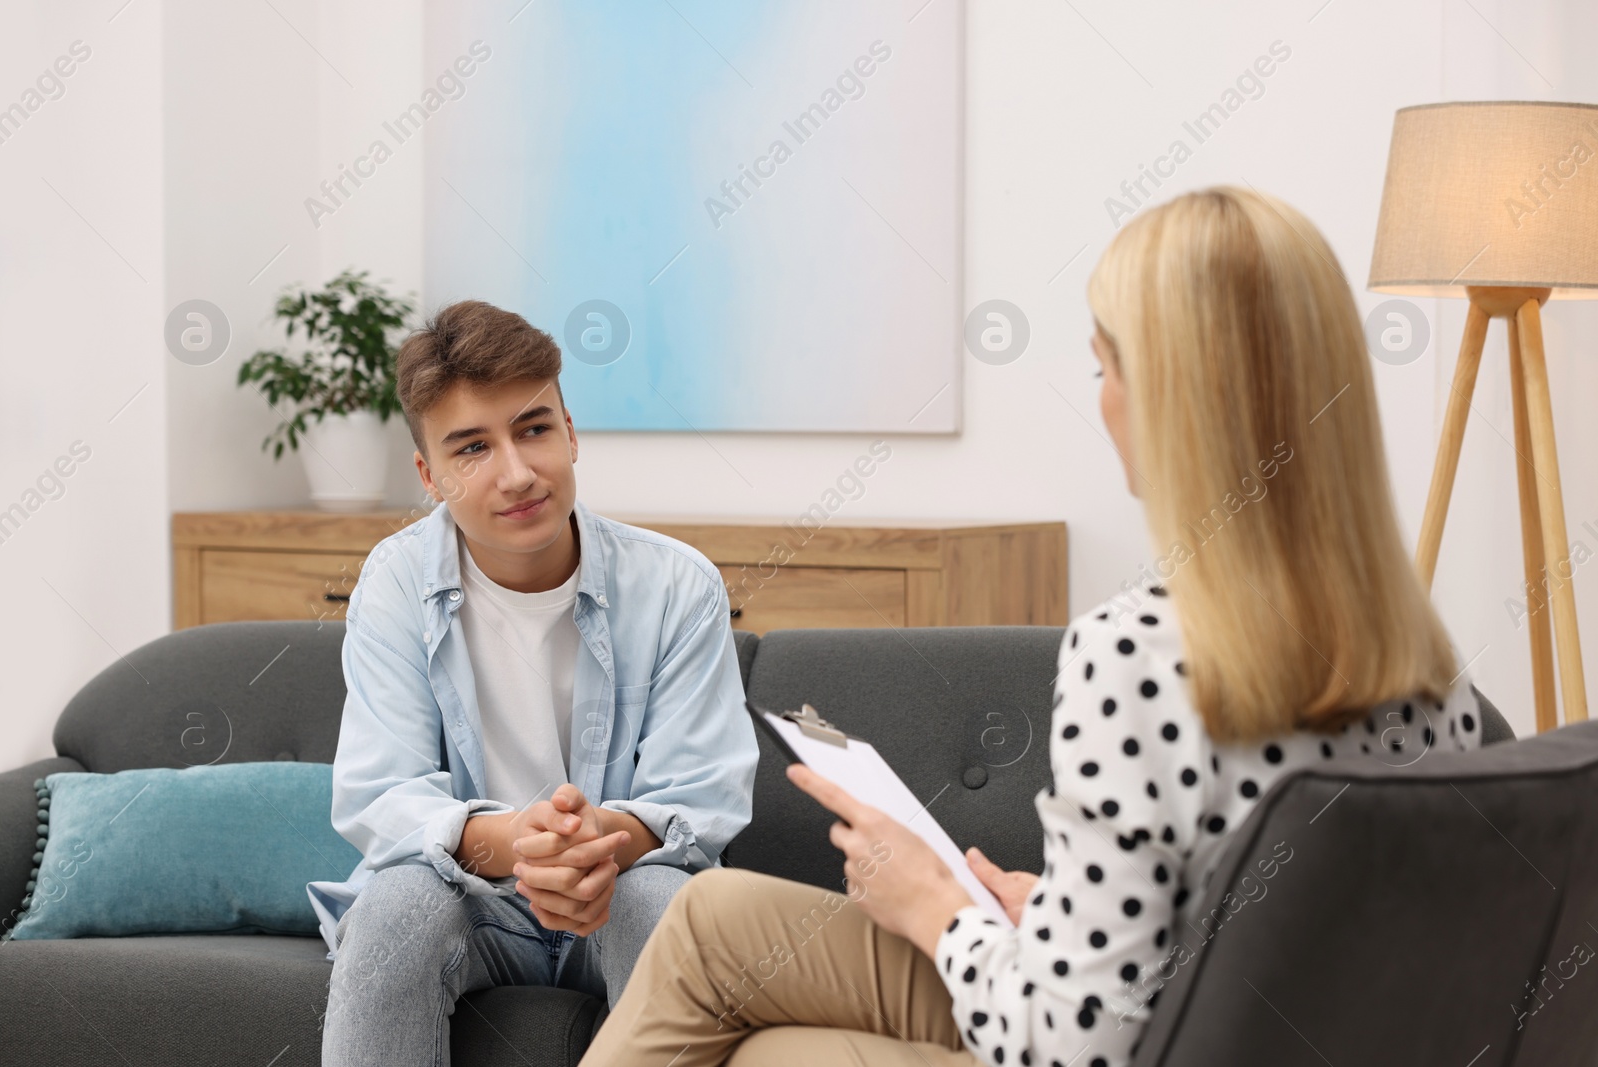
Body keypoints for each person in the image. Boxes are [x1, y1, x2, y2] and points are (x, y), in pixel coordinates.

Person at [576, 186, 1485, 1067]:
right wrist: (1056, 907)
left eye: (1105, 367)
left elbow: (1069, 1046)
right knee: (725, 947)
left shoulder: (1133, 654)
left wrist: (937, 905)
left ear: (1175, 400)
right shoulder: (1423, 661)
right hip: (1229, 1026)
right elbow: (1270, 933)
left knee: (759, 1024)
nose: (1104, 402)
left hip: (1130, 1040)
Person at [310, 300, 759, 1066]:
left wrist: (588, 850)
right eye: (472, 447)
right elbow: (380, 795)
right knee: (396, 908)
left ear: (571, 430)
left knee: (659, 898)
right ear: (430, 474)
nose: (517, 473)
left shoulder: (679, 584)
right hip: (472, 898)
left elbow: (701, 796)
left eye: (534, 428)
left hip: (621, 885)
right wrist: (514, 842)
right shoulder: (391, 583)